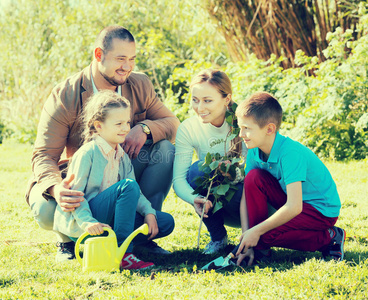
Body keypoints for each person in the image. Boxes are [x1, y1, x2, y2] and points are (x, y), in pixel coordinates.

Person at [25, 25, 180, 262]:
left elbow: (171, 122)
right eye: (120, 59)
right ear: (99, 55)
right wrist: (57, 190)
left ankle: (142, 237)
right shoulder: (65, 94)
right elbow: (44, 154)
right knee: (47, 210)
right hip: (81, 182)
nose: (127, 67)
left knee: (165, 151)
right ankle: (68, 242)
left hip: (121, 174)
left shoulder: (140, 84)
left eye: (132, 59)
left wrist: (144, 129)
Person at [54, 90, 174, 270]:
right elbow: (75, 197)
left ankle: (113, 241)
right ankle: (123, 253)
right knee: (128, 186)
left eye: (127, 122)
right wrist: (88, 223)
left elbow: (137, 193)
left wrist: (149, 212)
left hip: (109, 220)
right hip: (86, 221)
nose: (126, 128)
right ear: (99, 126)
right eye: (118, 123)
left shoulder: (121, 155)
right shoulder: (87, 153)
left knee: (164, 222)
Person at [234, 92, 345, 266]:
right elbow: (246, 198)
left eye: (247, 128)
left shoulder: (290, 153)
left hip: (320, 210)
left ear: (269, 129)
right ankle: (258, 247)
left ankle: (331, 237)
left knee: (266, 234)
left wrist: (257, 232)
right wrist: (247, 237)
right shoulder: (254, 151)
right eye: (240, 128)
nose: (241, 134)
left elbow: (294, 206)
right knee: (253, 178)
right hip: (293, 202)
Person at [173, 69, 247, 254]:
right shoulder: (188, 128)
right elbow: (179, 180)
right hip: (214, 205)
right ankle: (218, 237)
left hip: (248, 199)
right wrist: (194, 198)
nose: (200, 108)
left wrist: (232, 173)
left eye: (208, 100)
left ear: (226, 99)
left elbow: (257, 172)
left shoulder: (244, 122)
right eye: (195, 100)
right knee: (197, 170)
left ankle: (254, 235)